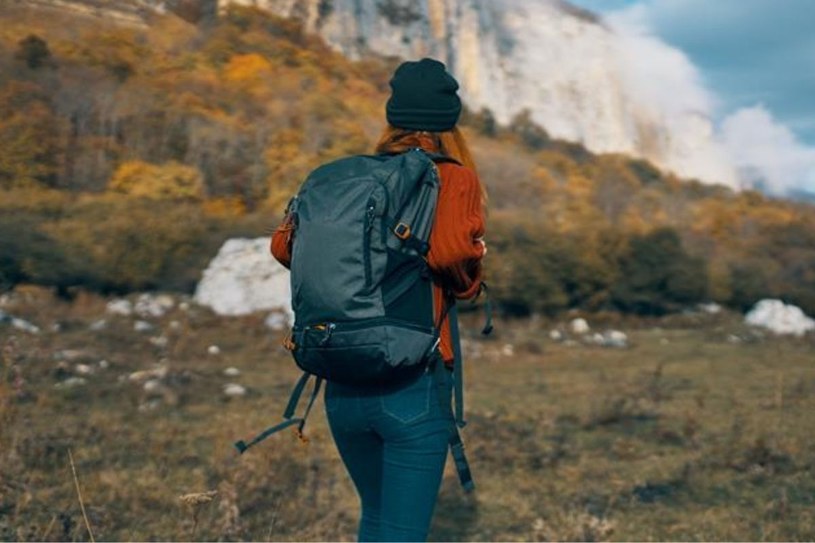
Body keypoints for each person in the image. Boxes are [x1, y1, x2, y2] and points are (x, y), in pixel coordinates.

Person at [269, 58, 487, 542]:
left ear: (392, 118)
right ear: (449, 122)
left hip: (342, 375)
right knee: (403, 532)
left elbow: (284, 246)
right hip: (413, 378)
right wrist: (473, 273)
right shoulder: (452, 177)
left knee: (376, 517)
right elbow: (452, 253)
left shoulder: (343, 177)